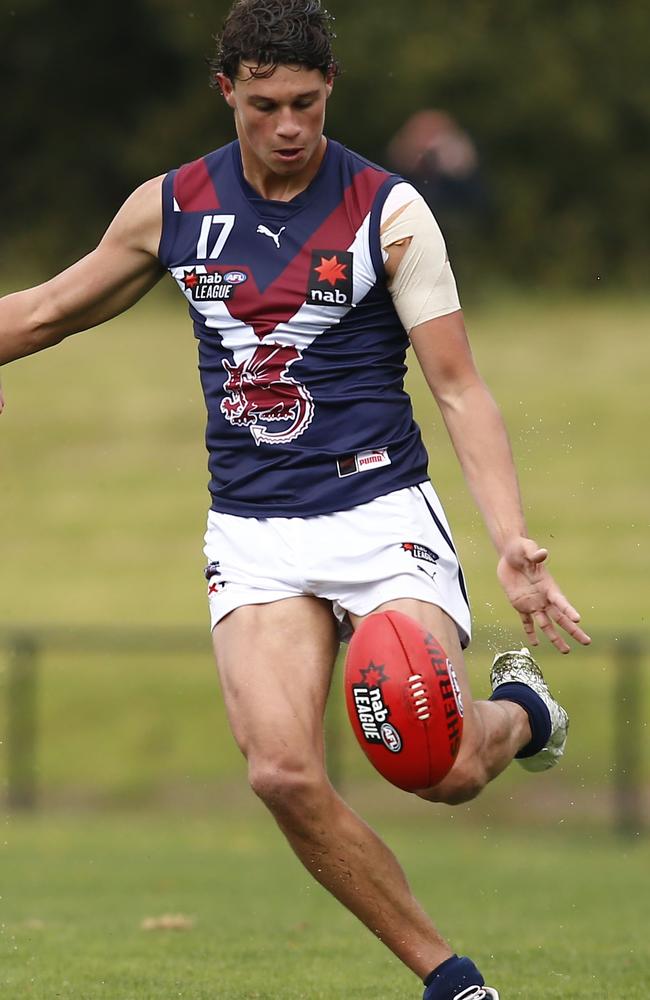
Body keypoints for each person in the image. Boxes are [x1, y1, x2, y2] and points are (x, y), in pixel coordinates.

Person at [0, 2, 591, 997]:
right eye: (265, 103)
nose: (287, 125)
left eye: (306, 105)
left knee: (436, 768)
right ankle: (453, 982)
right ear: (225, 91)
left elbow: (457, 385)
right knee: (278, 773)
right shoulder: (173, 205)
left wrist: (509, 538)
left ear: (330, 95)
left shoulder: (388, 210)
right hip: (253, 529)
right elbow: (50, 309)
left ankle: (522, 710)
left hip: (379, 513)